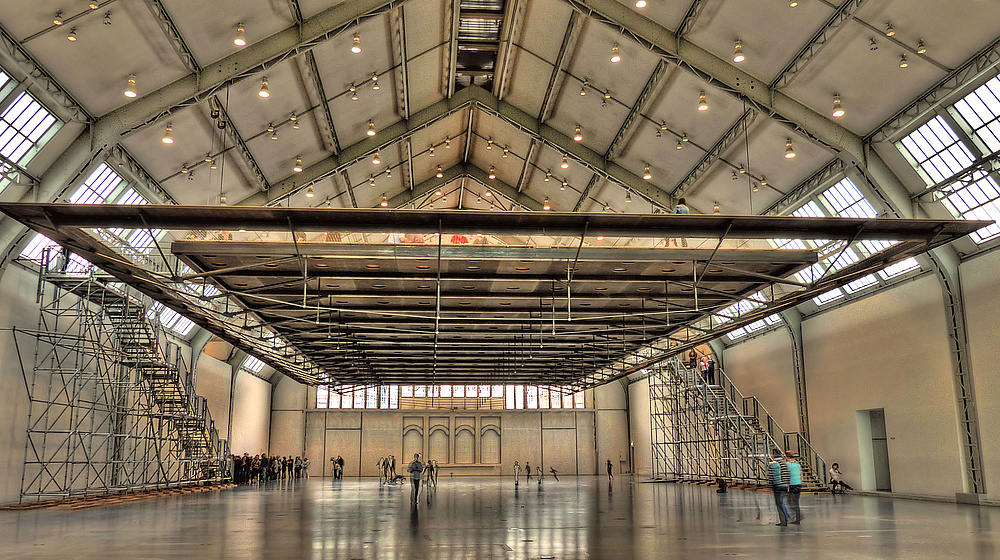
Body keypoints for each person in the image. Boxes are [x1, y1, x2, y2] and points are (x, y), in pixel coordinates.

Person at [769, 449, 792, 526]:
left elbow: (771, 476)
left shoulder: (773, 463)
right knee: (783, 501)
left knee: (779, 503)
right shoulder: (785, 463)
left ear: (774, 455)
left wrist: (769, 487)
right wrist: (788, 485)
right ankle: (787, 516)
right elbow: (788, 474)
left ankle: (784, 519)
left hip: (778, 486)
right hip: (785, 485)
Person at [785, 452, 803, 524]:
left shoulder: (787, 465)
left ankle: (798, 515)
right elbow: (801, 473)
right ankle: (798, 517)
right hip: (798, 484)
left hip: (791, 484)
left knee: (789, 501)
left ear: (787, 457)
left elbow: (786, 475)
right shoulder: (797, 464)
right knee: (796, 501)